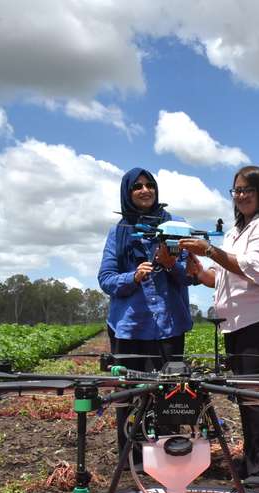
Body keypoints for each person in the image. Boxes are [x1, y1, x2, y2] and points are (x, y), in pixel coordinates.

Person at [179, 166, 259, 486]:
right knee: (245, 394)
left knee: (253, 393)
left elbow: (250, 269)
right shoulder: (237, 231)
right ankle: (256, 460)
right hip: (238, 323)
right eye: (237, 190)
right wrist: (200, 269)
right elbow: (223, 278)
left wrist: (210, 250)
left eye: (248, 190)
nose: (241, 196)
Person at [98, 167, 195, 465]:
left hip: (169, 327)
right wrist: (133, 277)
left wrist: (169, 264)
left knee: (171, 396)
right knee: (129, 396)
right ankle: (133, 460)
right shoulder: (118, 231)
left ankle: (169, 456)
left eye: (149, 185)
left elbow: (190, 275)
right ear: (127, 193)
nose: (144, 190)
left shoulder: (175, 226)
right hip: (130, 329)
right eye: (137, 187)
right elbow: (105, 278)